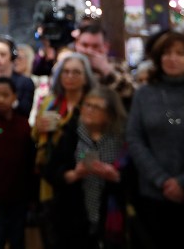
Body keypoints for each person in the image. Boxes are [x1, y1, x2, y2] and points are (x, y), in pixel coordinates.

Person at [126, 31, 184, 249]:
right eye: (166, 53)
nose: (172, 58)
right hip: (152, 192)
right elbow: (134, 137)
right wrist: (162, 180)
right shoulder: (144, 94)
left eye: (180, 54)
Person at [44, 87, 129, 249]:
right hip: (73, 214)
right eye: (87, 105)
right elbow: (50, 170)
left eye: (96, 107)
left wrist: (115, 177)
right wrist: (73, 174)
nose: (89, 110)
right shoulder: (72, 133)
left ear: (110, 114)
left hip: (110, 215)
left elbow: (133, 176)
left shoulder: (121, 138)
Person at [32, 52, 97, 249]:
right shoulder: (50, 102)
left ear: (86, 77)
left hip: (84, 177)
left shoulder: (93, 103)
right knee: (53, 233)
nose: (70, 77)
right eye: (66, 72)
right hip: (51, 174)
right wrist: (39, 128)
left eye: (76, 72)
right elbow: (35, 136)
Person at [0, 77, 35, 249]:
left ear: (14, 96)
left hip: (20, 194)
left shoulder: (25, 125)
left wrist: (32, 196)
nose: (1, 99)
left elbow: (31, 163)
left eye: (5, 95)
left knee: (18, 239)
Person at [74, 24, 134, 109]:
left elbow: (129, 93)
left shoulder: (119, 65)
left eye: (95, 46)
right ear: (77, 45)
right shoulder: (69, 66)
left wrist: (105, 70)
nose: (89, 51)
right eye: (84, 45)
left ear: (106, 47)